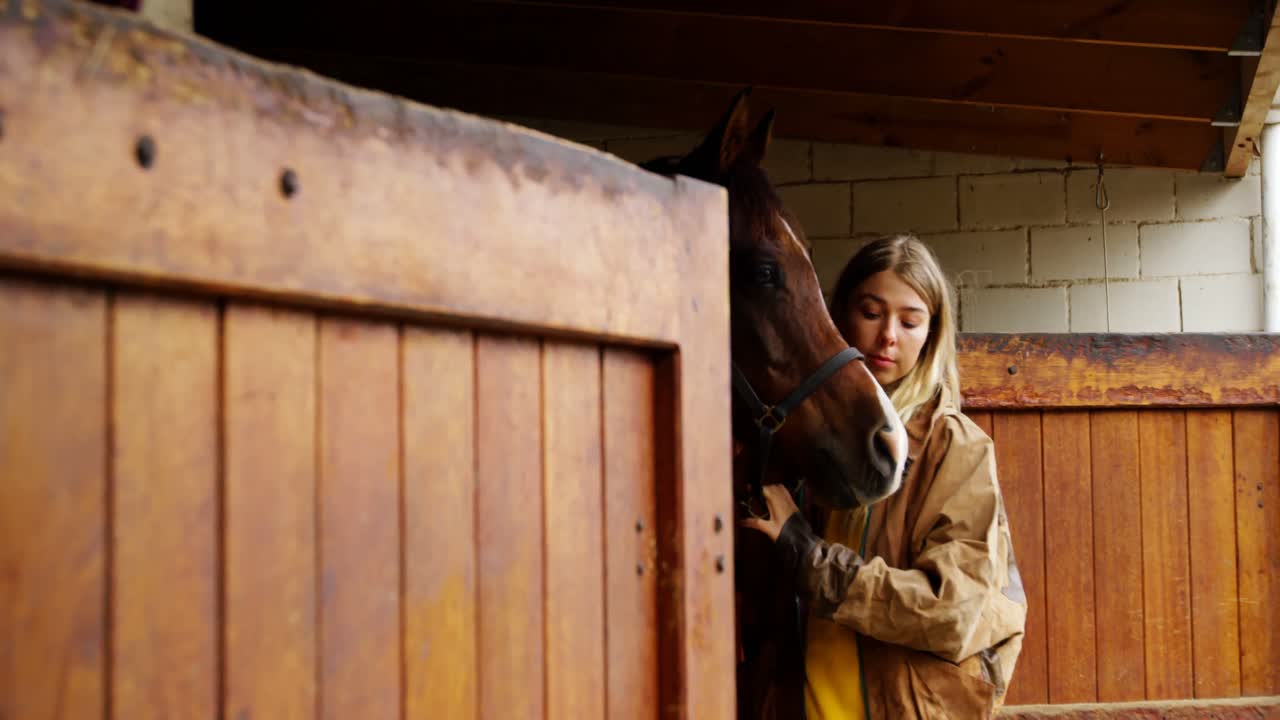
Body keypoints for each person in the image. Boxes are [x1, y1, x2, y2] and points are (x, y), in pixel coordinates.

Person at [741, 234, 1027, 719]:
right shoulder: (806, 439)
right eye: (871, 313)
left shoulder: (955, 447)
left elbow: (953, 611)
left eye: (910, 321)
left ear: (932, 333)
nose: (889, 335)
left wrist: (808, 558)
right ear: (835, 318)